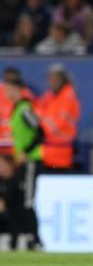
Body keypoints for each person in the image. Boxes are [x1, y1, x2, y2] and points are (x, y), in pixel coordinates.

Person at [5, 76, 44, 250]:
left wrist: (25, 152)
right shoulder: (16, 109)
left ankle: (35, 240)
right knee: (15, 199)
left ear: (17, 89)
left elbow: (40, 133)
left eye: (8, 88)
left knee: (27, 201)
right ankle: (15, 240)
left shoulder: (24, 109)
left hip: (30, 162)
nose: (6, 91)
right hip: (20, 163)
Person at [36, 64, 80, 170]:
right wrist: (42, 117)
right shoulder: (49, 95)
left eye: (55, 78)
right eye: (50, 78)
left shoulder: (68, 97)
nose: (51, 81)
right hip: (46, 154)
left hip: (62, 155)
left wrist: (41, 118)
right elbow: (36, 110)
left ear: (63, 79)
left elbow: (55, 127)